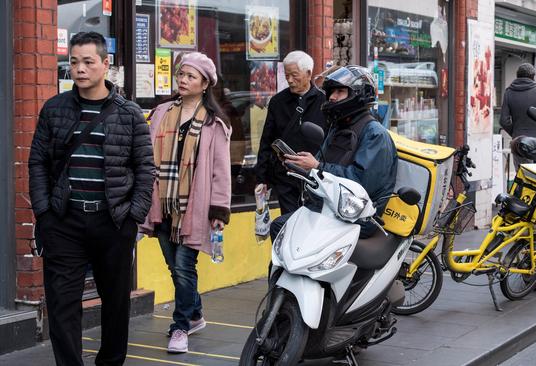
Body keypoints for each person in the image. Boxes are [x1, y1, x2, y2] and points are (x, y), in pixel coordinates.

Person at [28, 32, 155, 366]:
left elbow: (145, 169)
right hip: (64, 223)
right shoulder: (54, 109)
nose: (79, 69)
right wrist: (44, 213)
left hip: (112, 223)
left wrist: (133, 218)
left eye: (87, 61)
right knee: (62, 305)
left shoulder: (128, 114)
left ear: (105, 64)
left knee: (115, 306)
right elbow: (38, 162)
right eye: (73, 62)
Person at [139, 52, 232, 353]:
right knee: (173, 265)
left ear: (205, 84)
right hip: (162, 203)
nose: (183, 80)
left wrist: (219, 209)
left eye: (191, 76)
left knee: (183, 266)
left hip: (195, 205)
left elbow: (220, 170)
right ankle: (195, 313)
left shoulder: (214, 123)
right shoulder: (161, 112)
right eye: (181, 74)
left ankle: (180, 327)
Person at [273, 65, 398, 240]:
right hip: (331, 207)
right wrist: (300, 167)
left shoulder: (375, 134)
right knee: (282, 227)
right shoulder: (339, 128)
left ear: (358, 94)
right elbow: (321, 171)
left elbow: (362, 183)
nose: (332, 97)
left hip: (358, 215)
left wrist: (316, 166)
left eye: (340, 91)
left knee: (283, 228)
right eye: (331, 92)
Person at [255, 51, 328, 215]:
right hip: (285, 176)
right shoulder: (277, 102)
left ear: (309, 73)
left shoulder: (324, 103)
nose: (289, 80)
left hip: (316, 177)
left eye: (294, 75)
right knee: (289, 223)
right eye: (287, 75)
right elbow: (267, 140)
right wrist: (261, 177)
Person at [499, 63, 536, 140]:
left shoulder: (508, 92)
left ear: (517, 76)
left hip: (517, 140)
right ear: (533, 76)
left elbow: (503, 121)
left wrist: (514, 132)